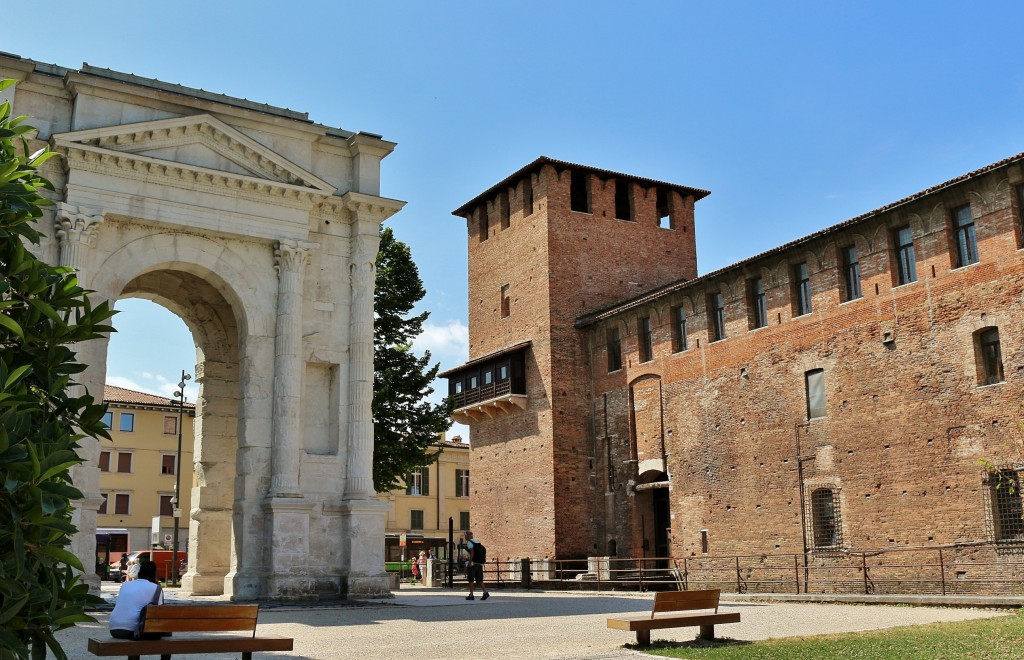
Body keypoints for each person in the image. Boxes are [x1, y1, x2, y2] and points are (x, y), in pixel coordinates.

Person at [109, 560, 165, 639]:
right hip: (134, 630)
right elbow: (159, 611)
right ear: (154, 574)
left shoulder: (125, 585)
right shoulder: (156, 588)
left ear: (139, 573)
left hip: (114, 628)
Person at [463, 531, 489, 601]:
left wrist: (469, 562)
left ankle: (471, 595)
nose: (464, 537)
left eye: (465, 536)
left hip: (473, 564)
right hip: (480, 563)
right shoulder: (477, 542)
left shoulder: (469, 543)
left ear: (468, 536)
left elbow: (472, 553)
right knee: (480, 580)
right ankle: (485, 592)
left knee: (471, 580)